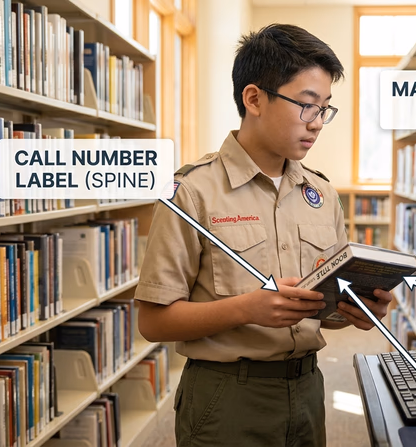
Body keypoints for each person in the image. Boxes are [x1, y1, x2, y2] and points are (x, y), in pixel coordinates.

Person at [135, 24, 394, 447]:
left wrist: (354, 310)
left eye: (325, 109)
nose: (318, 123)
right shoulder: (191, 192)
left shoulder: (322, 193)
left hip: (307, 391)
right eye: (306, 106)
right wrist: (247, 309)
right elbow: (152, 321)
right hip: (226, 399)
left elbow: (319, 308)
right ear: (254, 99)